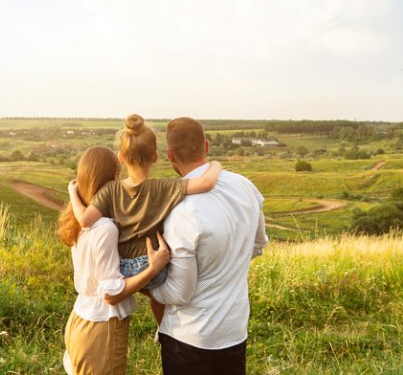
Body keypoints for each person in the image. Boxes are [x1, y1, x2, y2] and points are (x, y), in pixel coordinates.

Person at [67, 114, 222, 324]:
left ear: (121, 157)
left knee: (146, 287)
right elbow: (205, 183)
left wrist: (72, 193)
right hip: (151, 266)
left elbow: (85, 220)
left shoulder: (109, 190)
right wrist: (215, 165)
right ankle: (163, 328)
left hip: (120, 268)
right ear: (155, 157)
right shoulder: (162, 187)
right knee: (160, 289)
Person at [151, 117, 269, 374]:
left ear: (170, 155)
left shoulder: (181, 211)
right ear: (206, 145)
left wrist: (145, 283)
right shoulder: (246, 187)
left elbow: (179, 294)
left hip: (189, 339)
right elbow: (259, 244)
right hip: (234, 330)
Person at [57, 146, 173, 374]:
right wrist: (153, 268)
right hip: (101, 329)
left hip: (79, 320)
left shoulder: (77, 220)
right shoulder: (105, 228)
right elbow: (111, 294)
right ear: (111, 180)